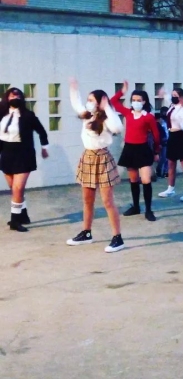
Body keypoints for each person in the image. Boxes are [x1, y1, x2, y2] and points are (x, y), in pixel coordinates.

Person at [67, 79, 126, 253]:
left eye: (92, 100)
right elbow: (76, 104)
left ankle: (117, 238)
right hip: (88, 157)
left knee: (107, 201)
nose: (89, 102)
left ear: (100, 102)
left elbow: (117, 128)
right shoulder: (87, 115)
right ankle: (86, 233)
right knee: (87, 200)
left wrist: (107, 107)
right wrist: (73, 89)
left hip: (102, 158)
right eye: (88, 99)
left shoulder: (107, 118)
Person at [0, 87, 49, 232]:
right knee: (13, 188)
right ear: (6, 98)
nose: (14, 98)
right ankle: (23, 214)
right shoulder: (1, 114)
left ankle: (15, 220)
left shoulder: (28, 115)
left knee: (18, 188)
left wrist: (44, 147)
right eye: (12, 96)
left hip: (23, 154)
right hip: (6, 153)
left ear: (21, 99)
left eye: (17, 96)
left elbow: (41, 131)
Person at [110, 82, 160, 222]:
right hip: (129, 149)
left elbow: (156, 135)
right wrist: (122, 91)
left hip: (143, 149)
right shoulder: (128, 113)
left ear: (144, 102)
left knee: (146, 180)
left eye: (139, 100)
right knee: (133, 180)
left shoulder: (148, 117)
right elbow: (113, 101)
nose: (136, 102)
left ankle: (148, 210)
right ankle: (136, 206)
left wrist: (156, 151)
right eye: (133, 100)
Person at [158, 87, 183, 202]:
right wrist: (164, 94)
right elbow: (168, 99)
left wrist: (181, 123)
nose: (173, 97)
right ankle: (170, 188)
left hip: (180, 136)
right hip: (172, 136)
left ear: (181, 97)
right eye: (172, 95)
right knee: (171, 163)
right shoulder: (172, 106)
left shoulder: (182, 110)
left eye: (175, 95)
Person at [155, 107, 169, 178]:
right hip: (162, 143)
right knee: (163, 158)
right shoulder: (158, 124)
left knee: (167, 158)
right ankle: (159, 170)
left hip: (168, 141)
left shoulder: (168, 121)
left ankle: (166, 172)